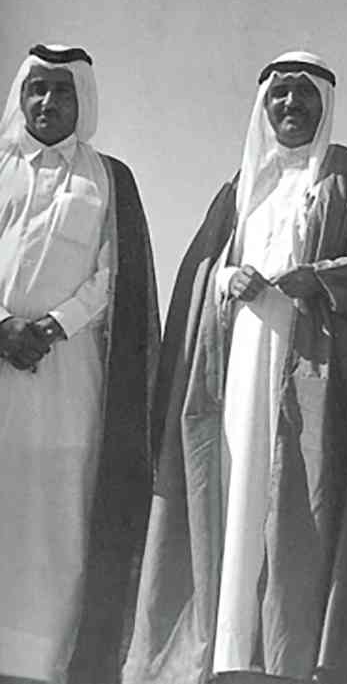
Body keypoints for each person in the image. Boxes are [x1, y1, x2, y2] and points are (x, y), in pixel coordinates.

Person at [127, 51, 347, 684]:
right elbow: (202, 271)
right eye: (279, 94)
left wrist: (321, 278)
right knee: (233, 492)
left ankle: (290, 654)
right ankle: (230, 649)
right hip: (237, 367)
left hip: (315, 375)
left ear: (325, 102)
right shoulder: (240, 186)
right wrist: (226, 277)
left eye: (303, 94)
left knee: (303, 507)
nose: (290, 105)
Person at [0, 45, 156, 684]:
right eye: (36, 89)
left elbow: (114, 274)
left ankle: (46, 663)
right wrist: (4, 326)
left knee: (61, 513)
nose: (46, 102)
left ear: (81, 99)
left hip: (70, 373)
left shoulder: (108, 178)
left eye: (60, 91)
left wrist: (53, 325)